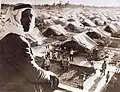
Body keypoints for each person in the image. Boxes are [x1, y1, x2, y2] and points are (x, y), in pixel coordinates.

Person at [0, 3, 59, 92]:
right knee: (53, 80)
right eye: (25, 16)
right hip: (14, 87)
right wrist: (48, 75)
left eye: (31, 16)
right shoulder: (18, 41)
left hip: (6, 83)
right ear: (15, 17)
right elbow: (32, 73)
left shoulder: (6, 34)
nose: (30, 20)